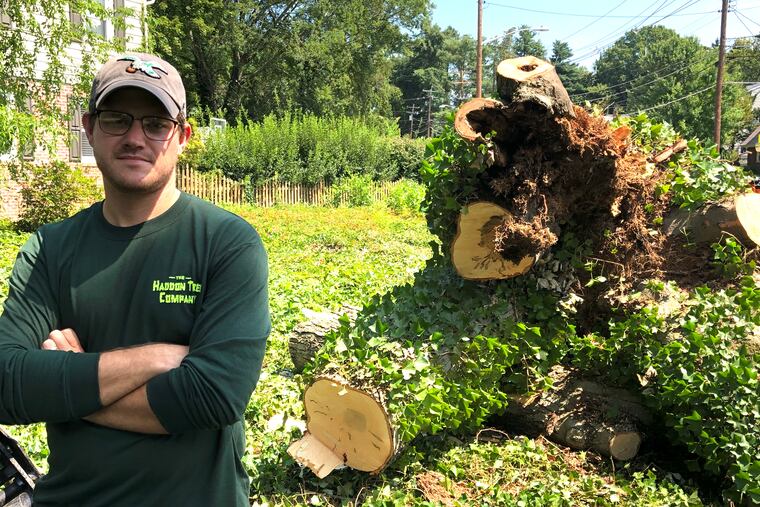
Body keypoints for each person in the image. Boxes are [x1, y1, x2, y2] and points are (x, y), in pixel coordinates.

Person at [0, 52, 270, 506]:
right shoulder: (50, 250)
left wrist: (70, 380)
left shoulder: (227, 243)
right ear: (89, 128)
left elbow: (213, 396)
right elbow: (6, 385)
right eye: (117, 120)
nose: (135, 137)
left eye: (155, 123)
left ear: (182, 136)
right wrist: (152, 359)